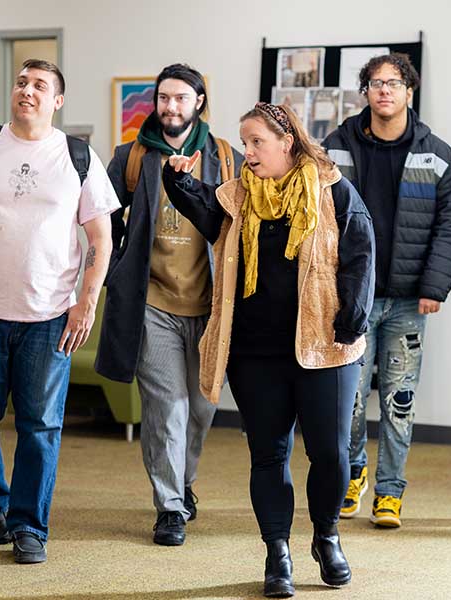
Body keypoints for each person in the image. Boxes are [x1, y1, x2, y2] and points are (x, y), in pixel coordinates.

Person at [163, 102, 374, 598]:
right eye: (244, 142)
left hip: (326, 346)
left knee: (330, 453)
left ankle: (326, 536)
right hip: (256, 353)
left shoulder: (331, 189)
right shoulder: (237, 196)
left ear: (288, 142)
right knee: (268, 455)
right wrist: (178, 180)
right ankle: (276, 551)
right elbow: (208, 218)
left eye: (257, 141)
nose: (248, 152)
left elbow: (361, 253)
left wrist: (352, 320)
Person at [0, 59, 119, 563]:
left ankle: (29, 525)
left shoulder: (78, 156)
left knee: (40, 424)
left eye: (40, 86)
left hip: (50, 316)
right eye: (21, 82)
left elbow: (101, 237)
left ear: (57, 101)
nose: (27, 91)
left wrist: (86, 304)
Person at [94, 64, 242, 547]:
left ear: (199, 102)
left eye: (181, 98)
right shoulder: (131, 158)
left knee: (201, 408)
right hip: (151, 304)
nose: (170, 107)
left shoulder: (225, 158)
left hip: (209, 307)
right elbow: (101, 223)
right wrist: (114, 272)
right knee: (167, 407)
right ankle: (170, 507)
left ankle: (183, 482)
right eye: (163, 98)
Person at [322, 53, 451, 527]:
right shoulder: (334, 149)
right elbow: (317, 221)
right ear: (365, 91)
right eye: (376, 83)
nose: (384, 90)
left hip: (408, 300)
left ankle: (390, 491)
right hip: (351, 300)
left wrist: (435, 287)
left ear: (409, 92)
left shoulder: (437, 154)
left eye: (394, 83)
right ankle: (354, 472)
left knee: (399, 402)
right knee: (350, 400)